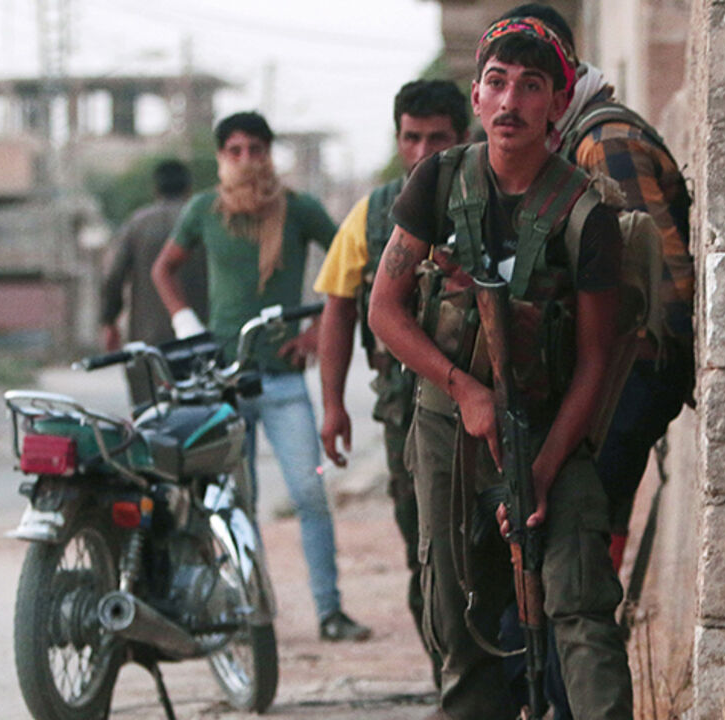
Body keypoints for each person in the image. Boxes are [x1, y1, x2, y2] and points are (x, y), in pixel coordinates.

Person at [368, 16, 632, 720]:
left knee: (581, 610)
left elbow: (598, 361)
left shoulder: (584, 213)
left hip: (551, 431)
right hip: (449, 435)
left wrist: (543, 470)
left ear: (556, 104)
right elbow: (385, 311)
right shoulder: (437, 182)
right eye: (497, 82)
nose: (511, 100)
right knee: (463, 622)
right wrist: (464, 390)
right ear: (478, 99)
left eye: (531, 86)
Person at [151, 111, 371, 642]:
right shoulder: (204, 210)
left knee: (310, 493)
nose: (246, 159)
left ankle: (330, 611)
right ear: (222, 157)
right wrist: (187, 325)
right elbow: (165, 269)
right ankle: (248, 615)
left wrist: (321, 327)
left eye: (255, 149)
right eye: (234, 150)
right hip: (222, 380)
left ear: (269, 154)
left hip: (283, 381)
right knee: (233, 504)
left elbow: (353, 261)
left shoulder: (297, 210)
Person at [501, 4, 696, 568]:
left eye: (531, 78)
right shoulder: (574, 140)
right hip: (620, 370)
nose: (513, 101)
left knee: (583, 527)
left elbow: (663, 279)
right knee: (593, 523)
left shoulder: (604, 143)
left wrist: (659, 371)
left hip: (632, 371)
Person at [312, 79, 469, 684]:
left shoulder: (490, 192)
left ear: (463, 136)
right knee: (423, 550)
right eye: (412, 137)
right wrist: (333, 405)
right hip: (406, 411)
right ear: (398, 139)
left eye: (438, 138)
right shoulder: (375, 213)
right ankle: (448, 678)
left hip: (490, 401)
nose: (424, 150)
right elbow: (339, 304)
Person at [98, 159, 207, 350]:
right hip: (200, 332)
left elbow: (114, 276)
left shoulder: (137, 224)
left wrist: (109, 320)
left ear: (156, 189)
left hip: (149, 336)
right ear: (189, 188)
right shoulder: (204, 220)